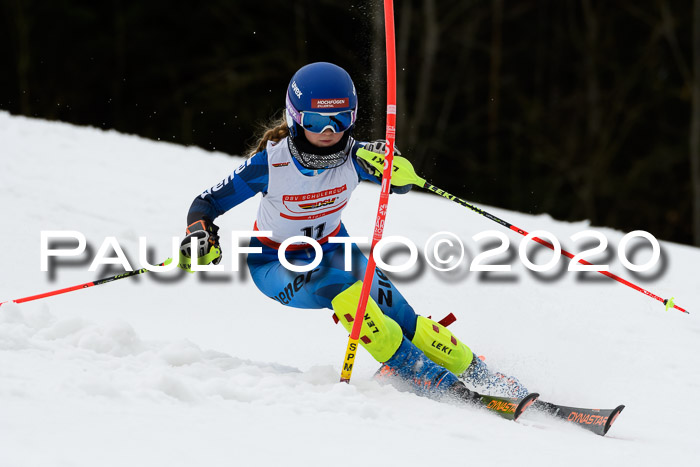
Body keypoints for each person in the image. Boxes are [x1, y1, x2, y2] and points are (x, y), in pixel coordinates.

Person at [178, 62, 528, 403]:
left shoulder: (357, 157)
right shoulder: (270, 164)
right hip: (275, 262)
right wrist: (200, 234)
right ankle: (424, 375)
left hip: (334, 249)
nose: (329, 131)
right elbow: (206, 203)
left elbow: (401, 183)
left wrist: (393, 164)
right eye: (316, 121)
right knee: (346, 292)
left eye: (340, 119)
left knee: (402, 318)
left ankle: (480, 373)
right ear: (295, 118)